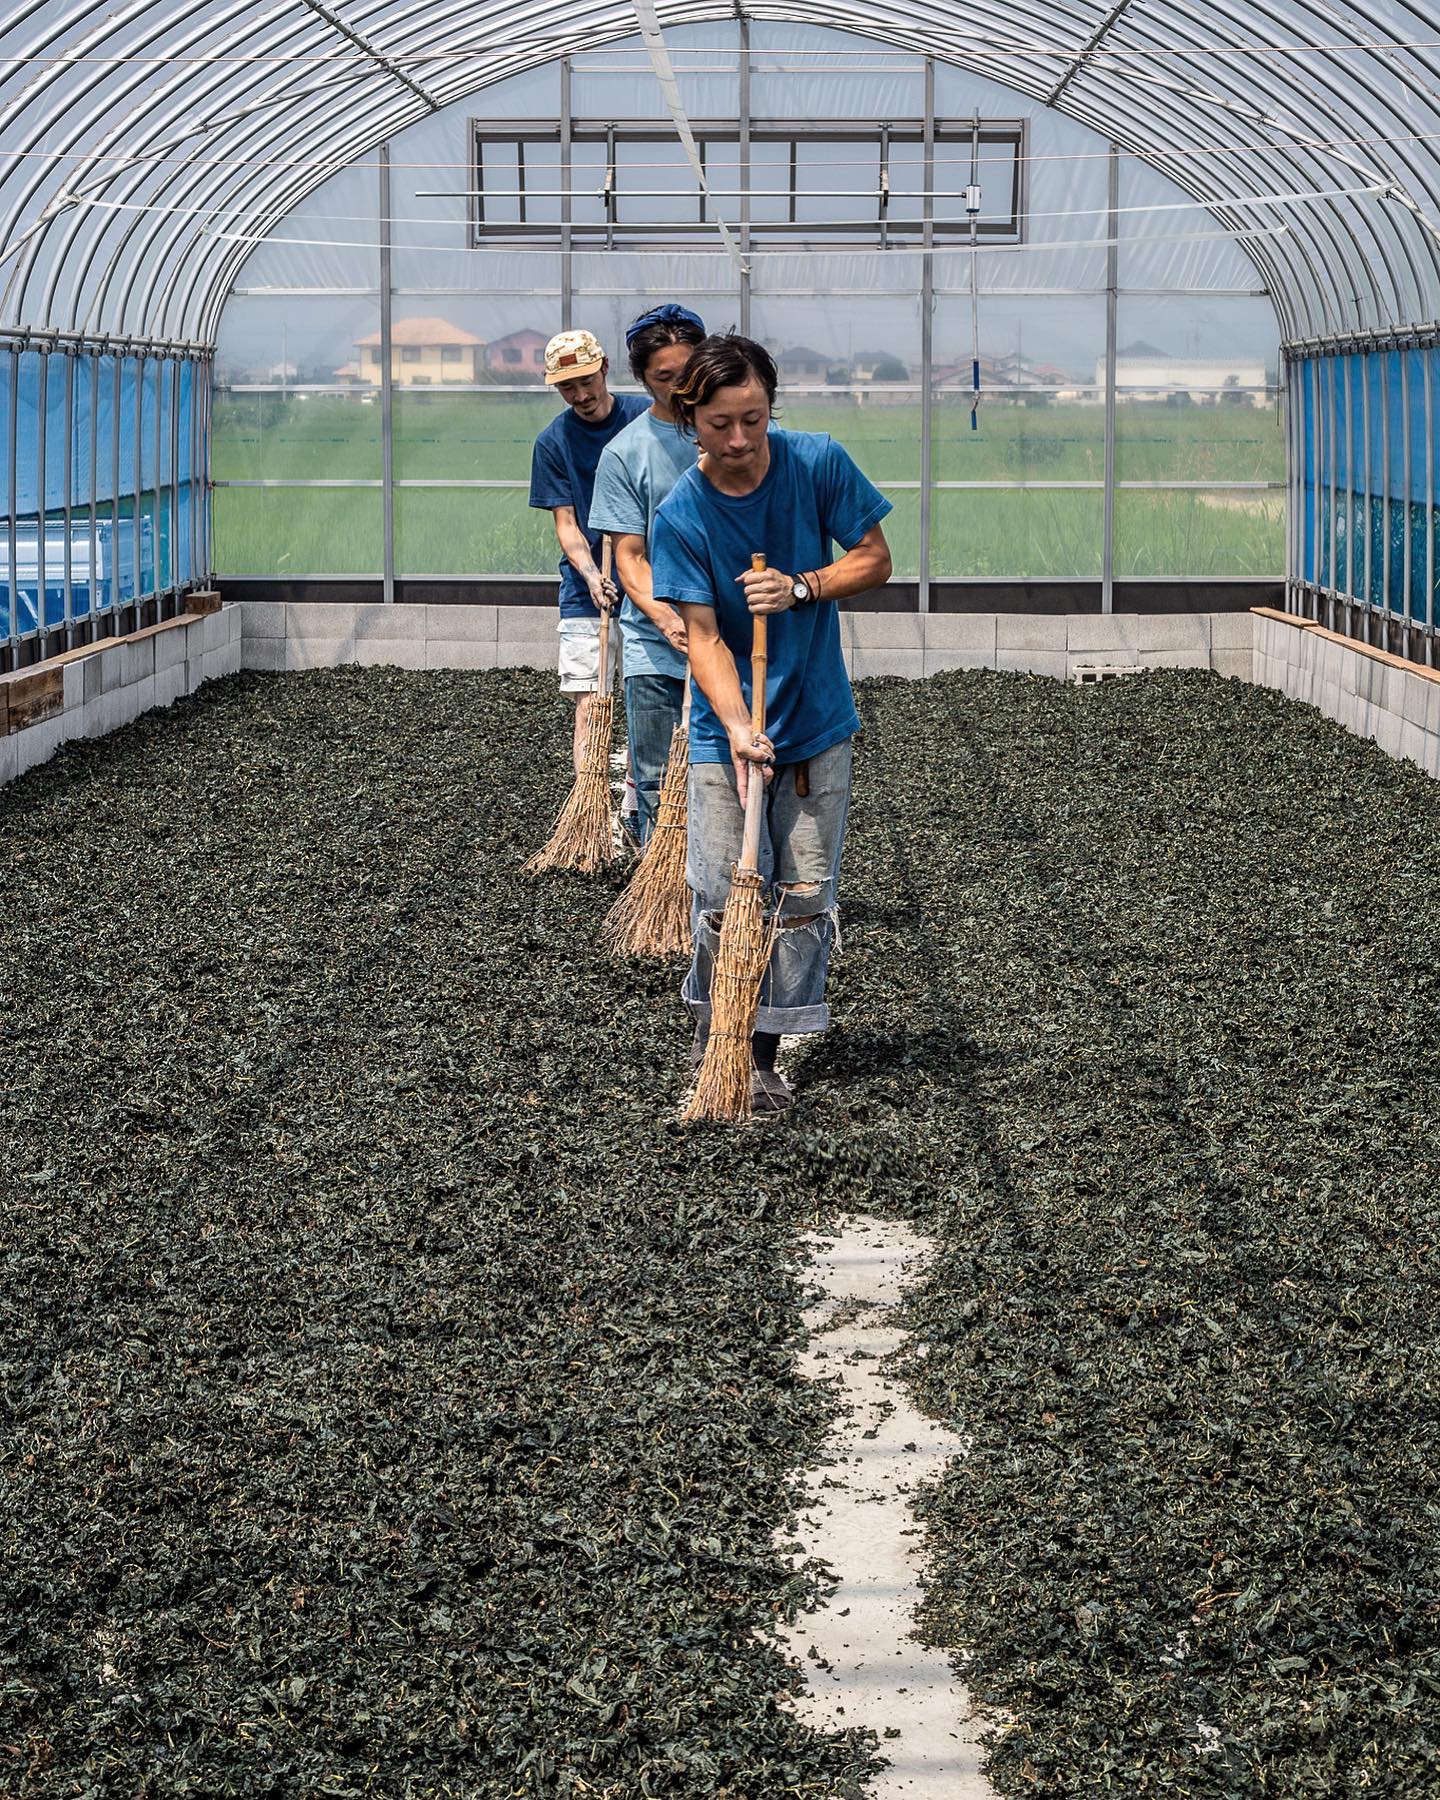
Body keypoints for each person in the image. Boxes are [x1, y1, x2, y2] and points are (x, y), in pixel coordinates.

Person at [650, 333, 893, 1114]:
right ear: (689, 418)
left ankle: (760, 1055)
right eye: (719, 423)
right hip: (729, 733)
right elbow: (705, 639)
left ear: (770, 409)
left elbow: (875, 558)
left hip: (815, 725)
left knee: (804, 897)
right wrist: (736, 726)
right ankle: (715, 1030)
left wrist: (803, 586)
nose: (739, 440)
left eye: (753, 419)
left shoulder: (816, 462)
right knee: (725, 894)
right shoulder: (681, 514)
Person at [587, 304, 706, 844]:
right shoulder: (625, 454)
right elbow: (630, 556)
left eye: (690, 371)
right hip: (655, 644)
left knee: (728, 772)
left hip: (732, 636)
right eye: (665, 376)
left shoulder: (736, 436)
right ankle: (662, 873)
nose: (680, 387)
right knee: (658, 777)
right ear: (640, 377)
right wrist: (666, 619)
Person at [528, 329, 648, 775]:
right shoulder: (553, 442)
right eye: (566, 387)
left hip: (650, 584)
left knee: (647, 701)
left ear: (605, 369)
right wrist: (592, 576)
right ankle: (589, 793)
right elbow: (567, 523)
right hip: (587, 591)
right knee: (590, 702)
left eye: (586, 381)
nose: (580, 395)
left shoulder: (643, 418)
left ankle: (639, 799)